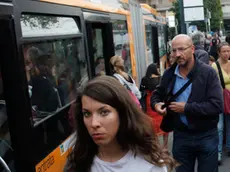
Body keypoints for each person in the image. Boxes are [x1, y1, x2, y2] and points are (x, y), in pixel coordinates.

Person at [65, 76, 176, 172]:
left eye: (104, 112)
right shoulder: (78, 162)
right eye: (87, 114)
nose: (94, 123)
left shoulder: (149, 165)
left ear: (122, 113)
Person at [151, 34, 223, 172]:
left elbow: (216, 105)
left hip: (206, 135)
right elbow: (157, 94)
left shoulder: (208, 73)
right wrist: (156, 105)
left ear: (192, 49)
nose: (177, 54)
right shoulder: (169, 74)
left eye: (182, 49)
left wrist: (187, 108)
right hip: (181, 136)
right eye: (174, 50)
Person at [140, 63, 169, 150]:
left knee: (153, 125)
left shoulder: (145, 79)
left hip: (149, 103)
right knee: (164, 123)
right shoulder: (160, 78)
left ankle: (157, 147)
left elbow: (141, 90)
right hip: (160, 102)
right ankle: (165, 147)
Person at [212, 42, 230, 164]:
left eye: (228, 51)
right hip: (219, 99)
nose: (226, 54)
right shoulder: (214, 66)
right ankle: (218, 152)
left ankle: (228, 147)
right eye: (224, 51)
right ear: (219, 52)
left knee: (229, 124)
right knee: (220, 127)